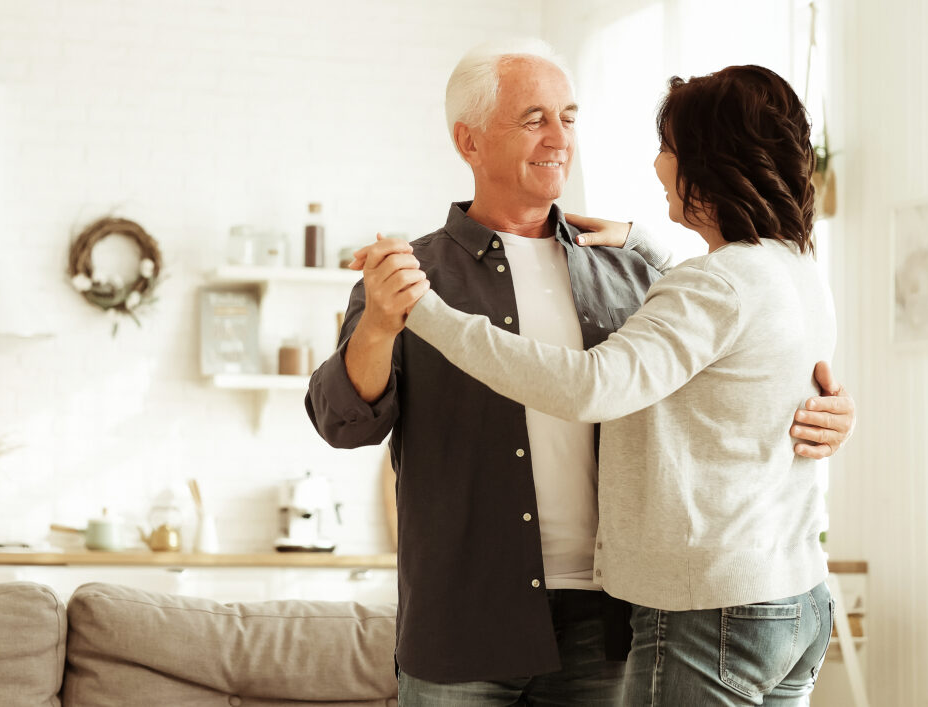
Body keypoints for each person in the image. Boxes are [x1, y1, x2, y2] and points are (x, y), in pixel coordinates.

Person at [309, 40, 854, 706]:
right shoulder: (406, 275)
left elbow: (740, 365)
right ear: (469, 141)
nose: (561, 137)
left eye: (569, 115)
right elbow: (341, 421)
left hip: (611, 617)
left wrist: (828, 410)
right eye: (535, 117)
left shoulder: (633, 274)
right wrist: (380, 325)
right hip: (463, 618)